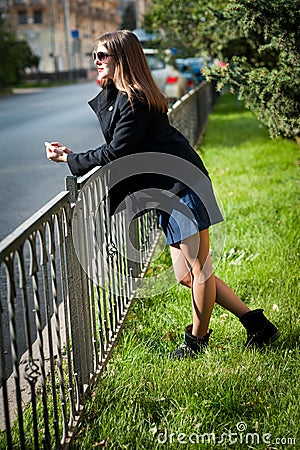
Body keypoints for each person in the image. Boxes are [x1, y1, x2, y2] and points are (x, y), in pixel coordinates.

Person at [46, 30, 280, 359]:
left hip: (183, 185)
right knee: (186, 275)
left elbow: (117, 153)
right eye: (94, 56)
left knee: (200, 270)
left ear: (122, 60)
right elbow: (118, 147)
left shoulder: (135, 99)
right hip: (166, 191)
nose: (96, 62)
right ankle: (257, 324)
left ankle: (196, 343)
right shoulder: (121, 96)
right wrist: (74, 155)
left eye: (102, 56)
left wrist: (70, 160)